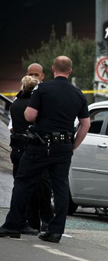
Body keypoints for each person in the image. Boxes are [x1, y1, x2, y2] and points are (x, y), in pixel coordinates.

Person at [0, 55, 90, 243]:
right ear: (70, 70)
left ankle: (13, 225)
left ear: (52, 69)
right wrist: (73, 145)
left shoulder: (43, 89)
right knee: (60, 187)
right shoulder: (78, 94)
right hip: (64, 146)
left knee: (24, 182)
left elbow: (30, 115)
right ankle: (55, 230)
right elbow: (85, 124)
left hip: (41, 144)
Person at [9, 63, 53, 234]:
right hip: (29, 147)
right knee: (30, 185)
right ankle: (32, 221)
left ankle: (33, 221)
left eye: (37, 74)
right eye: (31, 74)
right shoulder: (20, 99)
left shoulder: (41, 96)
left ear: (43, 75)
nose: (34, 76)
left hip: (29, 147)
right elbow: (12, 126)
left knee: (37, 186)